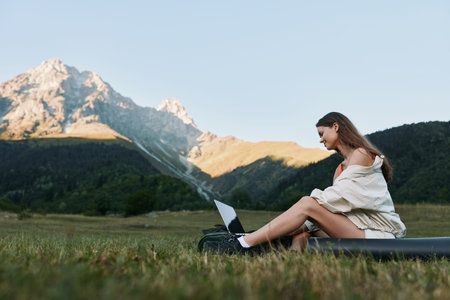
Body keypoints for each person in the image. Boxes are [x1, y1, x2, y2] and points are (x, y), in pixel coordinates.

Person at [204, 112, 406, 254]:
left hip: (376, 234)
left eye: (321, 134)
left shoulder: (361, 154)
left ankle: (242, 244)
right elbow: (337, 211)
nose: (320, 140)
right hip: (356, 228)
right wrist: (299, 224)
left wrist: (306, 212)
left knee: (308, 204)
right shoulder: (340, 168)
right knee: (305, 226)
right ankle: (286, 255)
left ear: (335, 126)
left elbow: (338, 199)